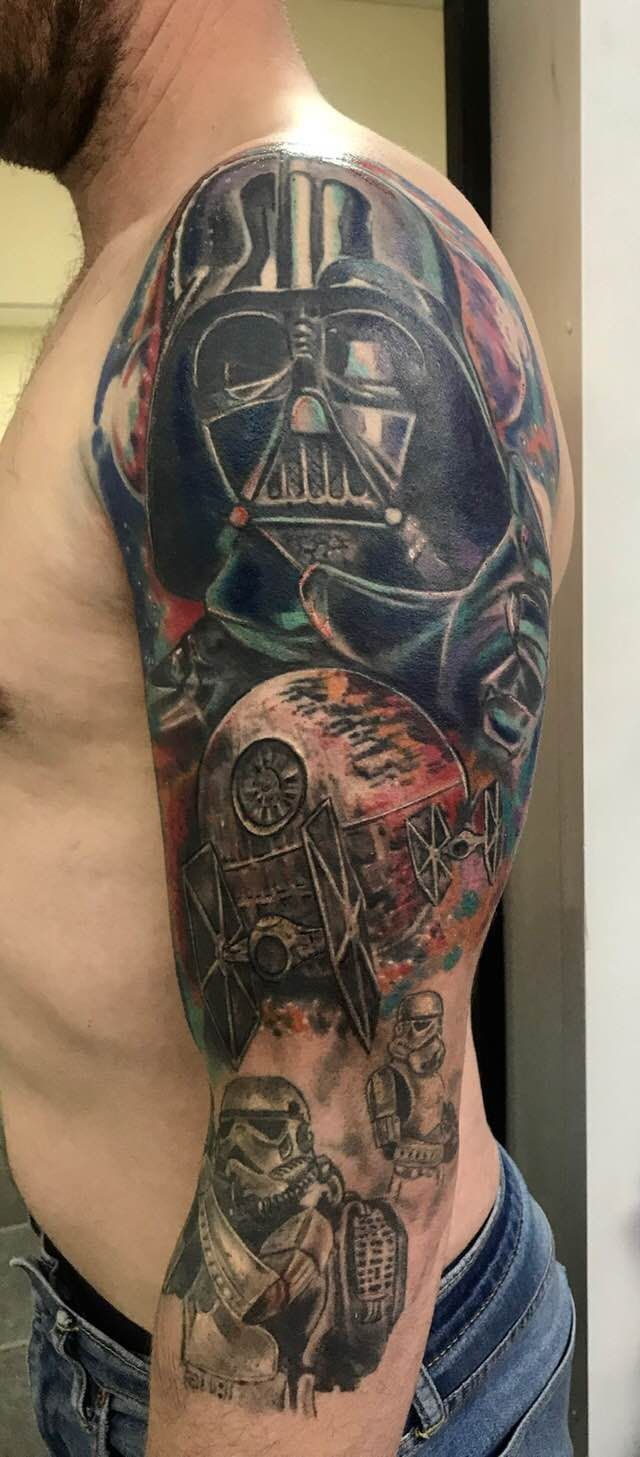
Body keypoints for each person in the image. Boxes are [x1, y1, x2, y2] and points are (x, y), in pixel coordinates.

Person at [0, 2, 576, 1453]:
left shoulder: (289, 229)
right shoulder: (152, 268)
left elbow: (344, 1102)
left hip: (295, 1388)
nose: (309, 404)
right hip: (150, 1338)